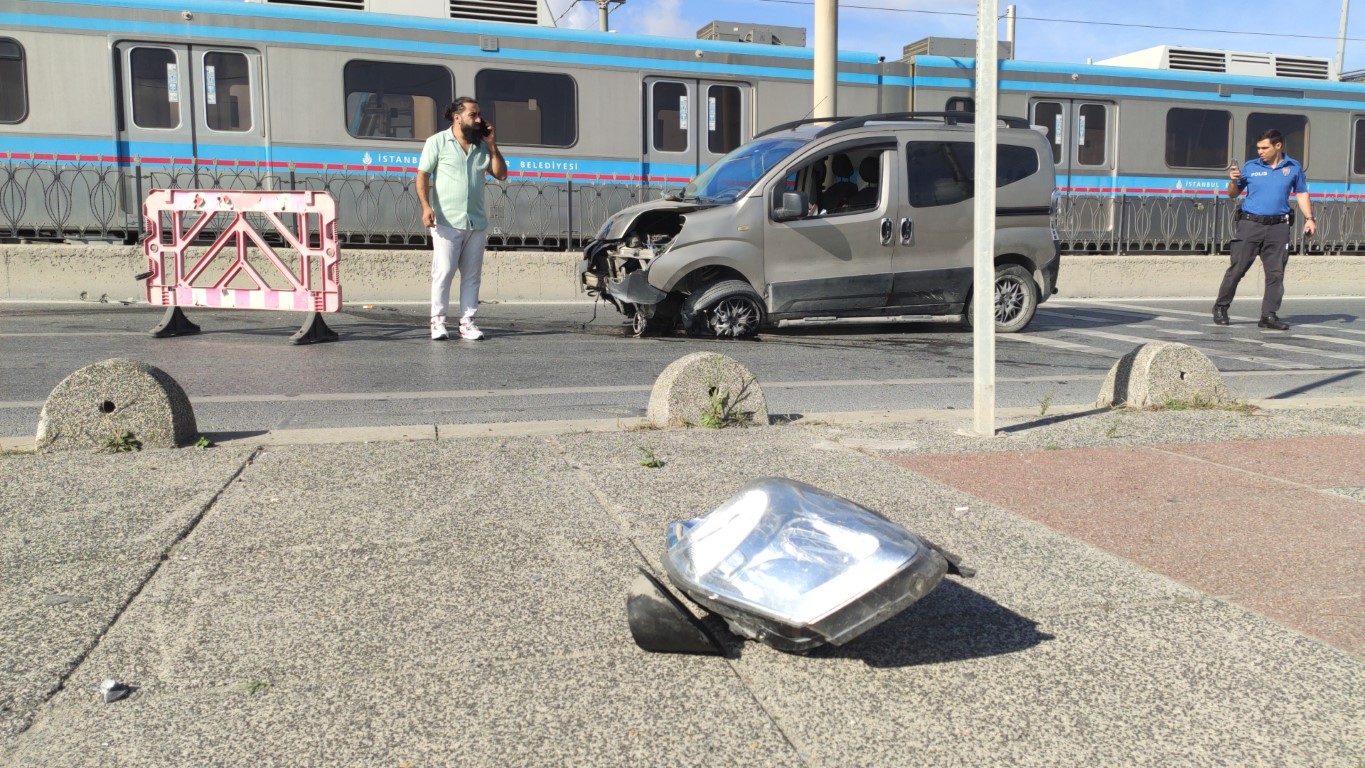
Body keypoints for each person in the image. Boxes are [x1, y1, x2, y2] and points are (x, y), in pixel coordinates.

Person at [417, 97, 507, 341]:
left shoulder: (482, 146)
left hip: (476, 222)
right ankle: (438, 322)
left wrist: (492, 145)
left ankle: (467, 323)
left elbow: (501, 174)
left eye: (479, 114)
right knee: (444, 272)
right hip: (446, 220)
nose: (478, 119)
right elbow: (422, 175)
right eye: (472, 115)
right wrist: (426, 207)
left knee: (472, 276)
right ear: (457, 117)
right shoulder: (437, 142)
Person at [1214, 129, 1315, 330]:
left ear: (1278, 146)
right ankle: (1221, 307)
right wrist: (1233, 181)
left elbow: (1301, 194)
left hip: (1279, 227)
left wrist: (1310, 219)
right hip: (1250, 225)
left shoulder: (1293, 167)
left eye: (1264, 148)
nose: (1260, 151)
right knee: (1238, 269)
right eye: (1258, 148)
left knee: (1276, 273)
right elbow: (1233, 194)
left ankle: (1268, 315)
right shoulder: (1251, 167)